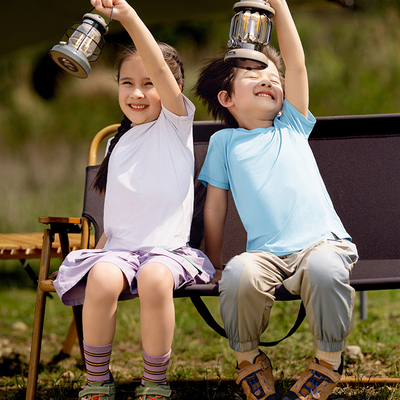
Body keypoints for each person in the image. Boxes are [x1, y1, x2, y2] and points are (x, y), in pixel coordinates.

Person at [195, 1, 358, 399]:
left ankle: (327, 363)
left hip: (322, 244)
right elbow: (215, 206)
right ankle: (249, 360)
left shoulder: (291, 124)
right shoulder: (224, 142)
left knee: (324, 270)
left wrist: (280, 5)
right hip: (265, 255)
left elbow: (297, 64)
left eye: (272, 73)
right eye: (252, 73)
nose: (269, 77)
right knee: (239, 276)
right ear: (227, 98)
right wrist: (215, 263)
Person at [53, 1, 215, 399]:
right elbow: (125, 207)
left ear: (171, 90)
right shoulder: (117, 142)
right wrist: (105, 245)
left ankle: (155, 380)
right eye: (127, 83)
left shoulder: (174, 125)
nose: (138, 92)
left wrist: (126, 16)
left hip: (167, 252)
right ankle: (97, 379)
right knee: (103, 278)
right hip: (122, 250)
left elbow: (159, 67)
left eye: (150, 83)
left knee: (155, 277)